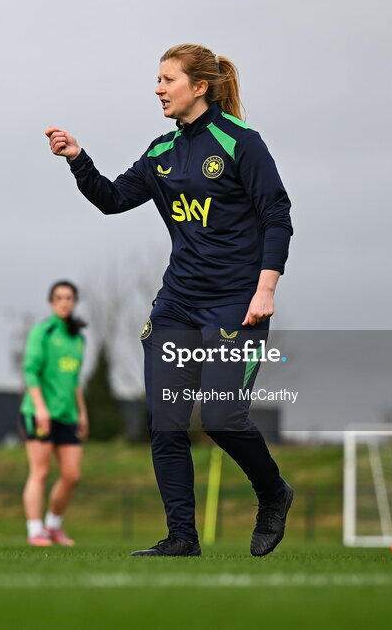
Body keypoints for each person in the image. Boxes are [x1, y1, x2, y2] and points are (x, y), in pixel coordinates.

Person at [45, 43, 294, 557]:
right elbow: (113, 200)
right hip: (177, 305)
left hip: (236, 305)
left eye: (167, 79)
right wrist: (78, 159)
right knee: (167, 422)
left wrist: (265, 288)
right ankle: (181, 538)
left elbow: (277, 215)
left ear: (199, 87)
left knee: (222, 420)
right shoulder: (162, 152)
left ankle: (273, 494)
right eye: (157, 80)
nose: (158, 89)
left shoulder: (240, 142)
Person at [20, 281, 88, 547]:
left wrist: (83, 413)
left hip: (68, 415)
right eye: (59, 297)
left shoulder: (79, 338)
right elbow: (30, 371)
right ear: (51, 302)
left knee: (72, 475)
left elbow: (75, 380)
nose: (64, 302)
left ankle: (53, 526)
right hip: (39, 413)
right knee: (40, 471)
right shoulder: (43, 332)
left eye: (69, 297)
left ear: (75, 302)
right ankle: (35, 529)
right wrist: (40, 407)